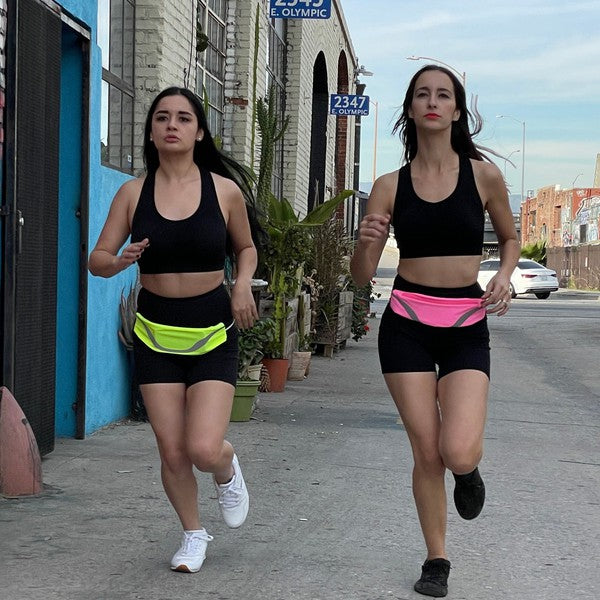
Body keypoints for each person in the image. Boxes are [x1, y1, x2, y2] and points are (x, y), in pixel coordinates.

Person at [350, 66, 520, 598]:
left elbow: (511, 238)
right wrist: (365, 242)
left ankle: (467, 472)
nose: (432, 101)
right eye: (422, 94)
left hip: (466, 323)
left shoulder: (483, 176)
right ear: (410, 109)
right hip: (407, 325)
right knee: (427, 452)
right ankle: (437, 558)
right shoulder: (388, 186)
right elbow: (360, 278)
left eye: (443, 95)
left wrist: (505, 276)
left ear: (456, 110)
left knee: (459, 451)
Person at [89, 87, 260, 573]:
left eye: (184, 118)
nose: (172, 125)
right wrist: (118, 261)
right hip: (155, 334)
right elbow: (97, 259)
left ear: (199, 132)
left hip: (212, 331)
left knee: (202, 447)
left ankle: (226, 467)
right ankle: (193, 534)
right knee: (171, 449)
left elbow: (246, 249)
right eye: (162, 117)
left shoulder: (223, 191)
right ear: (151, 131)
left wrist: (241, 285)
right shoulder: (132, 193)